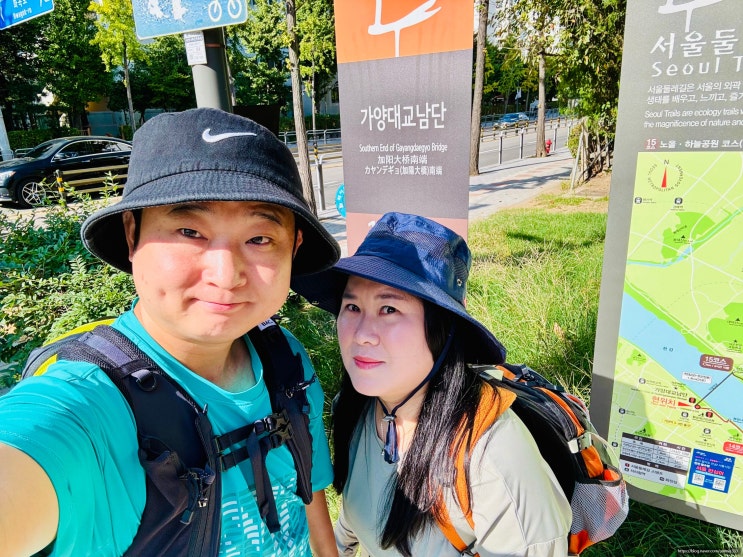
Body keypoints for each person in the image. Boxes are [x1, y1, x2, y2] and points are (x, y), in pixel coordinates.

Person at [0, 108, 340, 557]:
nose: (226, 275)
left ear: (293, 248)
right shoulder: (92, 408)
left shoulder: (283, 356)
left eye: (259, 239)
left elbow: (309, 497)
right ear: (132, 234)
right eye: (189, 231)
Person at [291, 212, 572, 557]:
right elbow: (360, 510)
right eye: (352, 306)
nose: (361, 334)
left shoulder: (492, 456)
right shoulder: (354, 408)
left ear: (443, 330)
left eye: (389, 309)